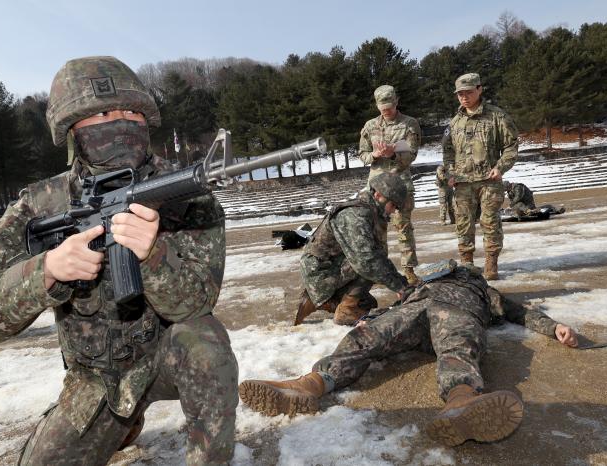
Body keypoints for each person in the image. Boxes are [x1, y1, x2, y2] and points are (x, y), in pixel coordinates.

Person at [0, 56, 238, 466]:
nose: (121, 122)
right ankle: (122, 421)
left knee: (205, 343)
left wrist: (151, 253)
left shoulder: (188, 195)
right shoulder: (40, 204)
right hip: (96, 380)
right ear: (71, 130)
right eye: (104, 113)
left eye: (132, 113)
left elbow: (196, 303)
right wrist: (47, 271)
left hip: (166, 358)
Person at [240, 261, 579, 447]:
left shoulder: (482, 289)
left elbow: (518, 312)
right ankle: (309, 385)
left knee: (458, 350)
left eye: (460, 270)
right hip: (415, 313)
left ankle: (461, 403)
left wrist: (553, 327)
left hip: (456, 315)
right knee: (368, 337)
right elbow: (388, 312)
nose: (454, 271)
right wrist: (373, 316)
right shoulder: (420, 288)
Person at [294, 173, 412, 326]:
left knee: (368, 305)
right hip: (321, 273)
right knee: (370, 264)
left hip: (329, 269)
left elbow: (378, 257)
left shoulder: (370, 212)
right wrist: (399, 287)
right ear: (378, 195)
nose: (394, 211)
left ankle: (324, 300)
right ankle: (344, 310)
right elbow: (366, 261)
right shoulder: (355, 215)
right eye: (393, 205)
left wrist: (402, 283)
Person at [442, 73, 518, 280]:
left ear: (479, 89)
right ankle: (467, 264)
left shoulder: (496, 116)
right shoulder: (455, 122)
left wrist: (500, 167)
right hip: (463, 183)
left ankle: (491, 262)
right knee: (463, 223)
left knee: (490, 221)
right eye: (460, 94)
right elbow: (448, 151)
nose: (464, 97)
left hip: (489, 181)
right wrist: (450, 172)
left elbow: (511, 146)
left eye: (468, 92)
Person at [359, 85, 422, 284]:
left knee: (403, 228)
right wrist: (374, 155)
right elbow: (362, 155)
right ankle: (381, 272)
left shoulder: (409, 124)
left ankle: (409, 270)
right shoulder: (369, 126)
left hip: (399, 184)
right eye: (382, 106)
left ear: (396, 101)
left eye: (389, 106)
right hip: (376, 186)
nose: (386, 110)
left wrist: (393, 154)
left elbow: (411, 155)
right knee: (377, 231)